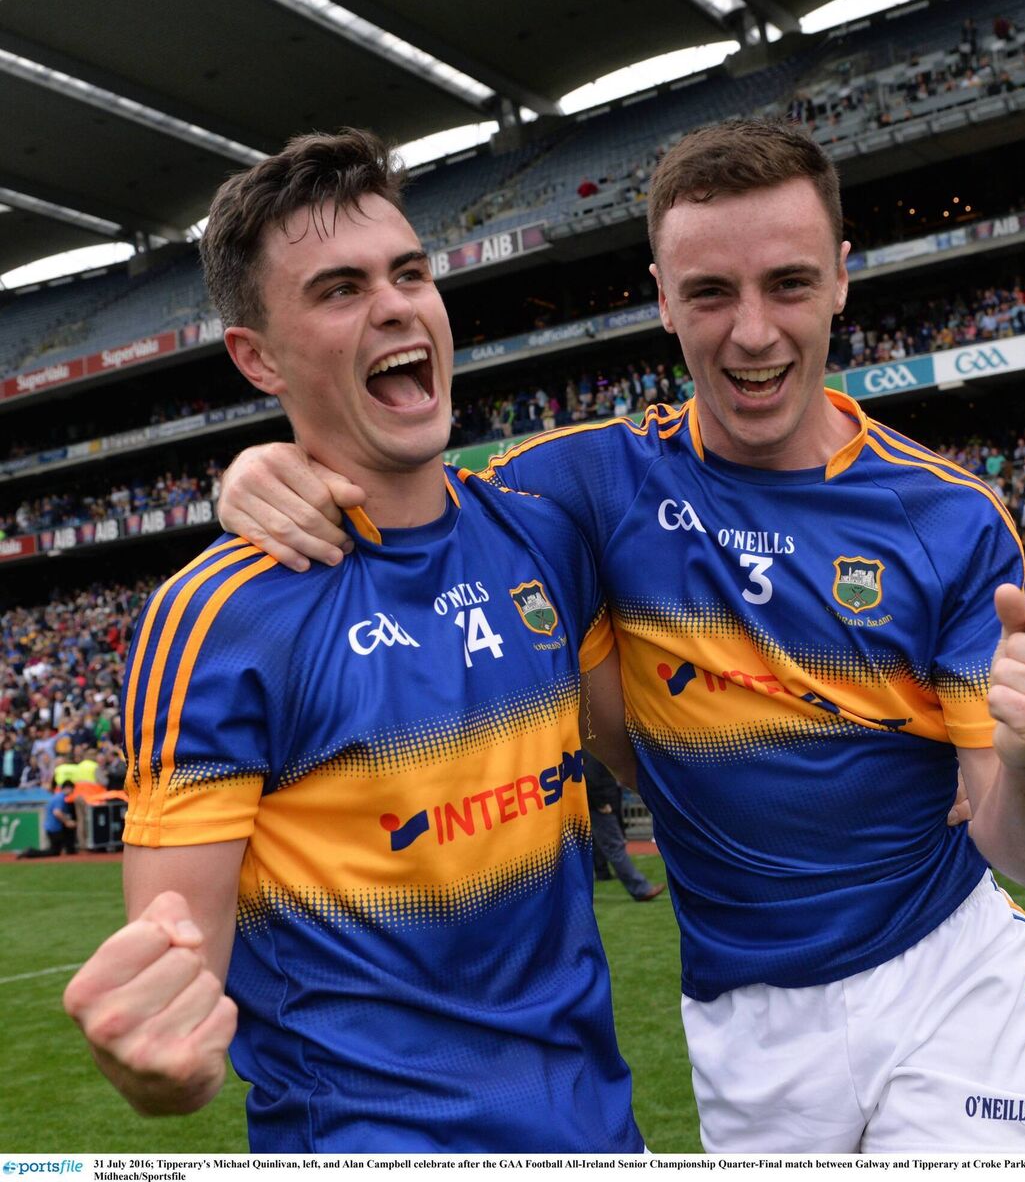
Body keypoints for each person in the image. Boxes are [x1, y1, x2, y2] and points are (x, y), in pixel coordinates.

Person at [218, 118, 1025, 1153]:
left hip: (943, 980)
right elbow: (402, 492)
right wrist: (260, 470)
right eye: (710, 293)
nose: (752, 333)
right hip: (744, 1026)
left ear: (840, 279)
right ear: (661, 297)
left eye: (788, 283)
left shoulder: (950, 519)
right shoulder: (589, 485)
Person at [61, 130, 643, 1155]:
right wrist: (156, 1060)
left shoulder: (544, 539)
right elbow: (175, 988)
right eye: (339, 289)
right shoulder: (217, 621)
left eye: (409, 273)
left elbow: (656, 760)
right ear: (257, 358)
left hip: (600, 1132)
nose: (395, 305)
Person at [584, 749, 665, 901]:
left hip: (597, 803)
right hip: (600, 805)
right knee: (614, 846)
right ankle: (641, 889)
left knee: (596, 845)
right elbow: (591, 776)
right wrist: (601, 803)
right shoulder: (591, 750)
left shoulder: (587, 747)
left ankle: (602, 873)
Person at [17, 779, 77, 858]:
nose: (72, 792)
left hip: (51, 826)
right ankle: (30, 852)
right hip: (54, 828)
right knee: (54, 851)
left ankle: (30, 852)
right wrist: (67, 822)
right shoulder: (60, 798)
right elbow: (57, 812)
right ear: (67, 788)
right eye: (72, 789)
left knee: (55, 850)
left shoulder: (57, 796)